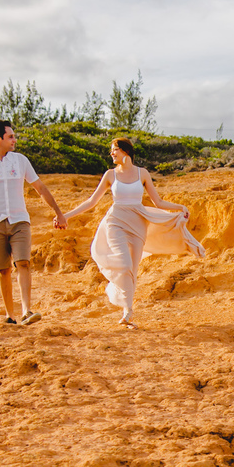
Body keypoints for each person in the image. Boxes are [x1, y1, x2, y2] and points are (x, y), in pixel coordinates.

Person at [62, 137, 204, 327]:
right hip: (116, 221)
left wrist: (180, 207)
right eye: (112, 150)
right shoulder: (110, 175)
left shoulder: (142, 173)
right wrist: (66, 216)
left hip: (138, 223)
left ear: (125, 151)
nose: (112, 153)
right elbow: (91, 202)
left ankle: (126, 311)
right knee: (124, 262)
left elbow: (158, 202)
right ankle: (122, 302)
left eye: (115, 150)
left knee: (132, 269)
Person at [0, 119, 66, 325]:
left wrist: (58, 211)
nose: (14, 140)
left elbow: (40, 187)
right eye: (11, 136)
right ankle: (10, 315)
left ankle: (27, 311)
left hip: (20, 219)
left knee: (23, 262)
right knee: (4, 269)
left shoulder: (20, 161)